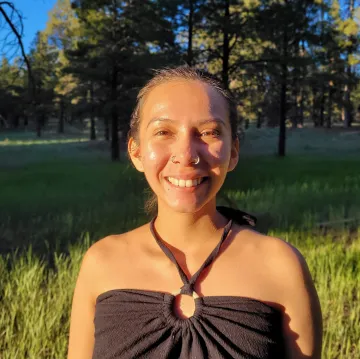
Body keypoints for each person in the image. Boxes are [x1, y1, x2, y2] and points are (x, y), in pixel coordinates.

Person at [67, 66, 323, 359]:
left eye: (208, 132)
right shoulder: (101, 263)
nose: (187, 154)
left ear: (233, 152)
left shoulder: (281, 266)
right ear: (136, 152)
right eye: (164, 132)